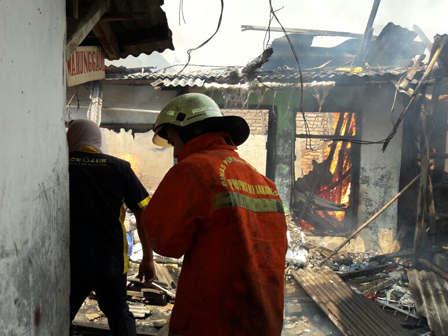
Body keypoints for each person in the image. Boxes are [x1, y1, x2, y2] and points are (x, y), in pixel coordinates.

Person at [142, 93, 287, 336]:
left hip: (211, 321)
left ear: (190, 131)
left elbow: (166, 243)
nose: (176, 151)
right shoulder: (264, 182)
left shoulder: (192, 170)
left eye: (174, 140)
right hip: (263, 321)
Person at [67, 118, 155, 336]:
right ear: (98, 140)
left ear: (71, 138)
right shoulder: (120, 168)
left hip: (71, 260)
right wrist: (148, 258)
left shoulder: (62, 165)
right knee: (118, 312)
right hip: (111, 260)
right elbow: (143, 212)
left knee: (61, 312)